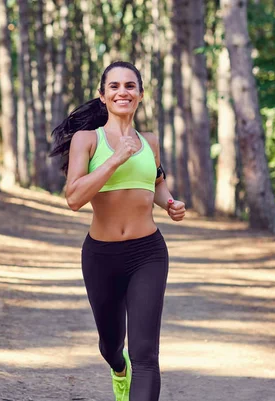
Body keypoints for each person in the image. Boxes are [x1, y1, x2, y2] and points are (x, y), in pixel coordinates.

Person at [49, 61, 186, 401]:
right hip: (101, 256)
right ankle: (117, 368)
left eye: (129, 86)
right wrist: (114, 159)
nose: (122, 91)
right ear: (103, 96)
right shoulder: (87, 140)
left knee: (146, 354)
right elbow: (74, 198)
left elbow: (155, 183)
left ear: (140, 95)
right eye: (114, 86)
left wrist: (169, 203)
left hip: (148, 254)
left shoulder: (149, 141)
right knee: (112, 345)